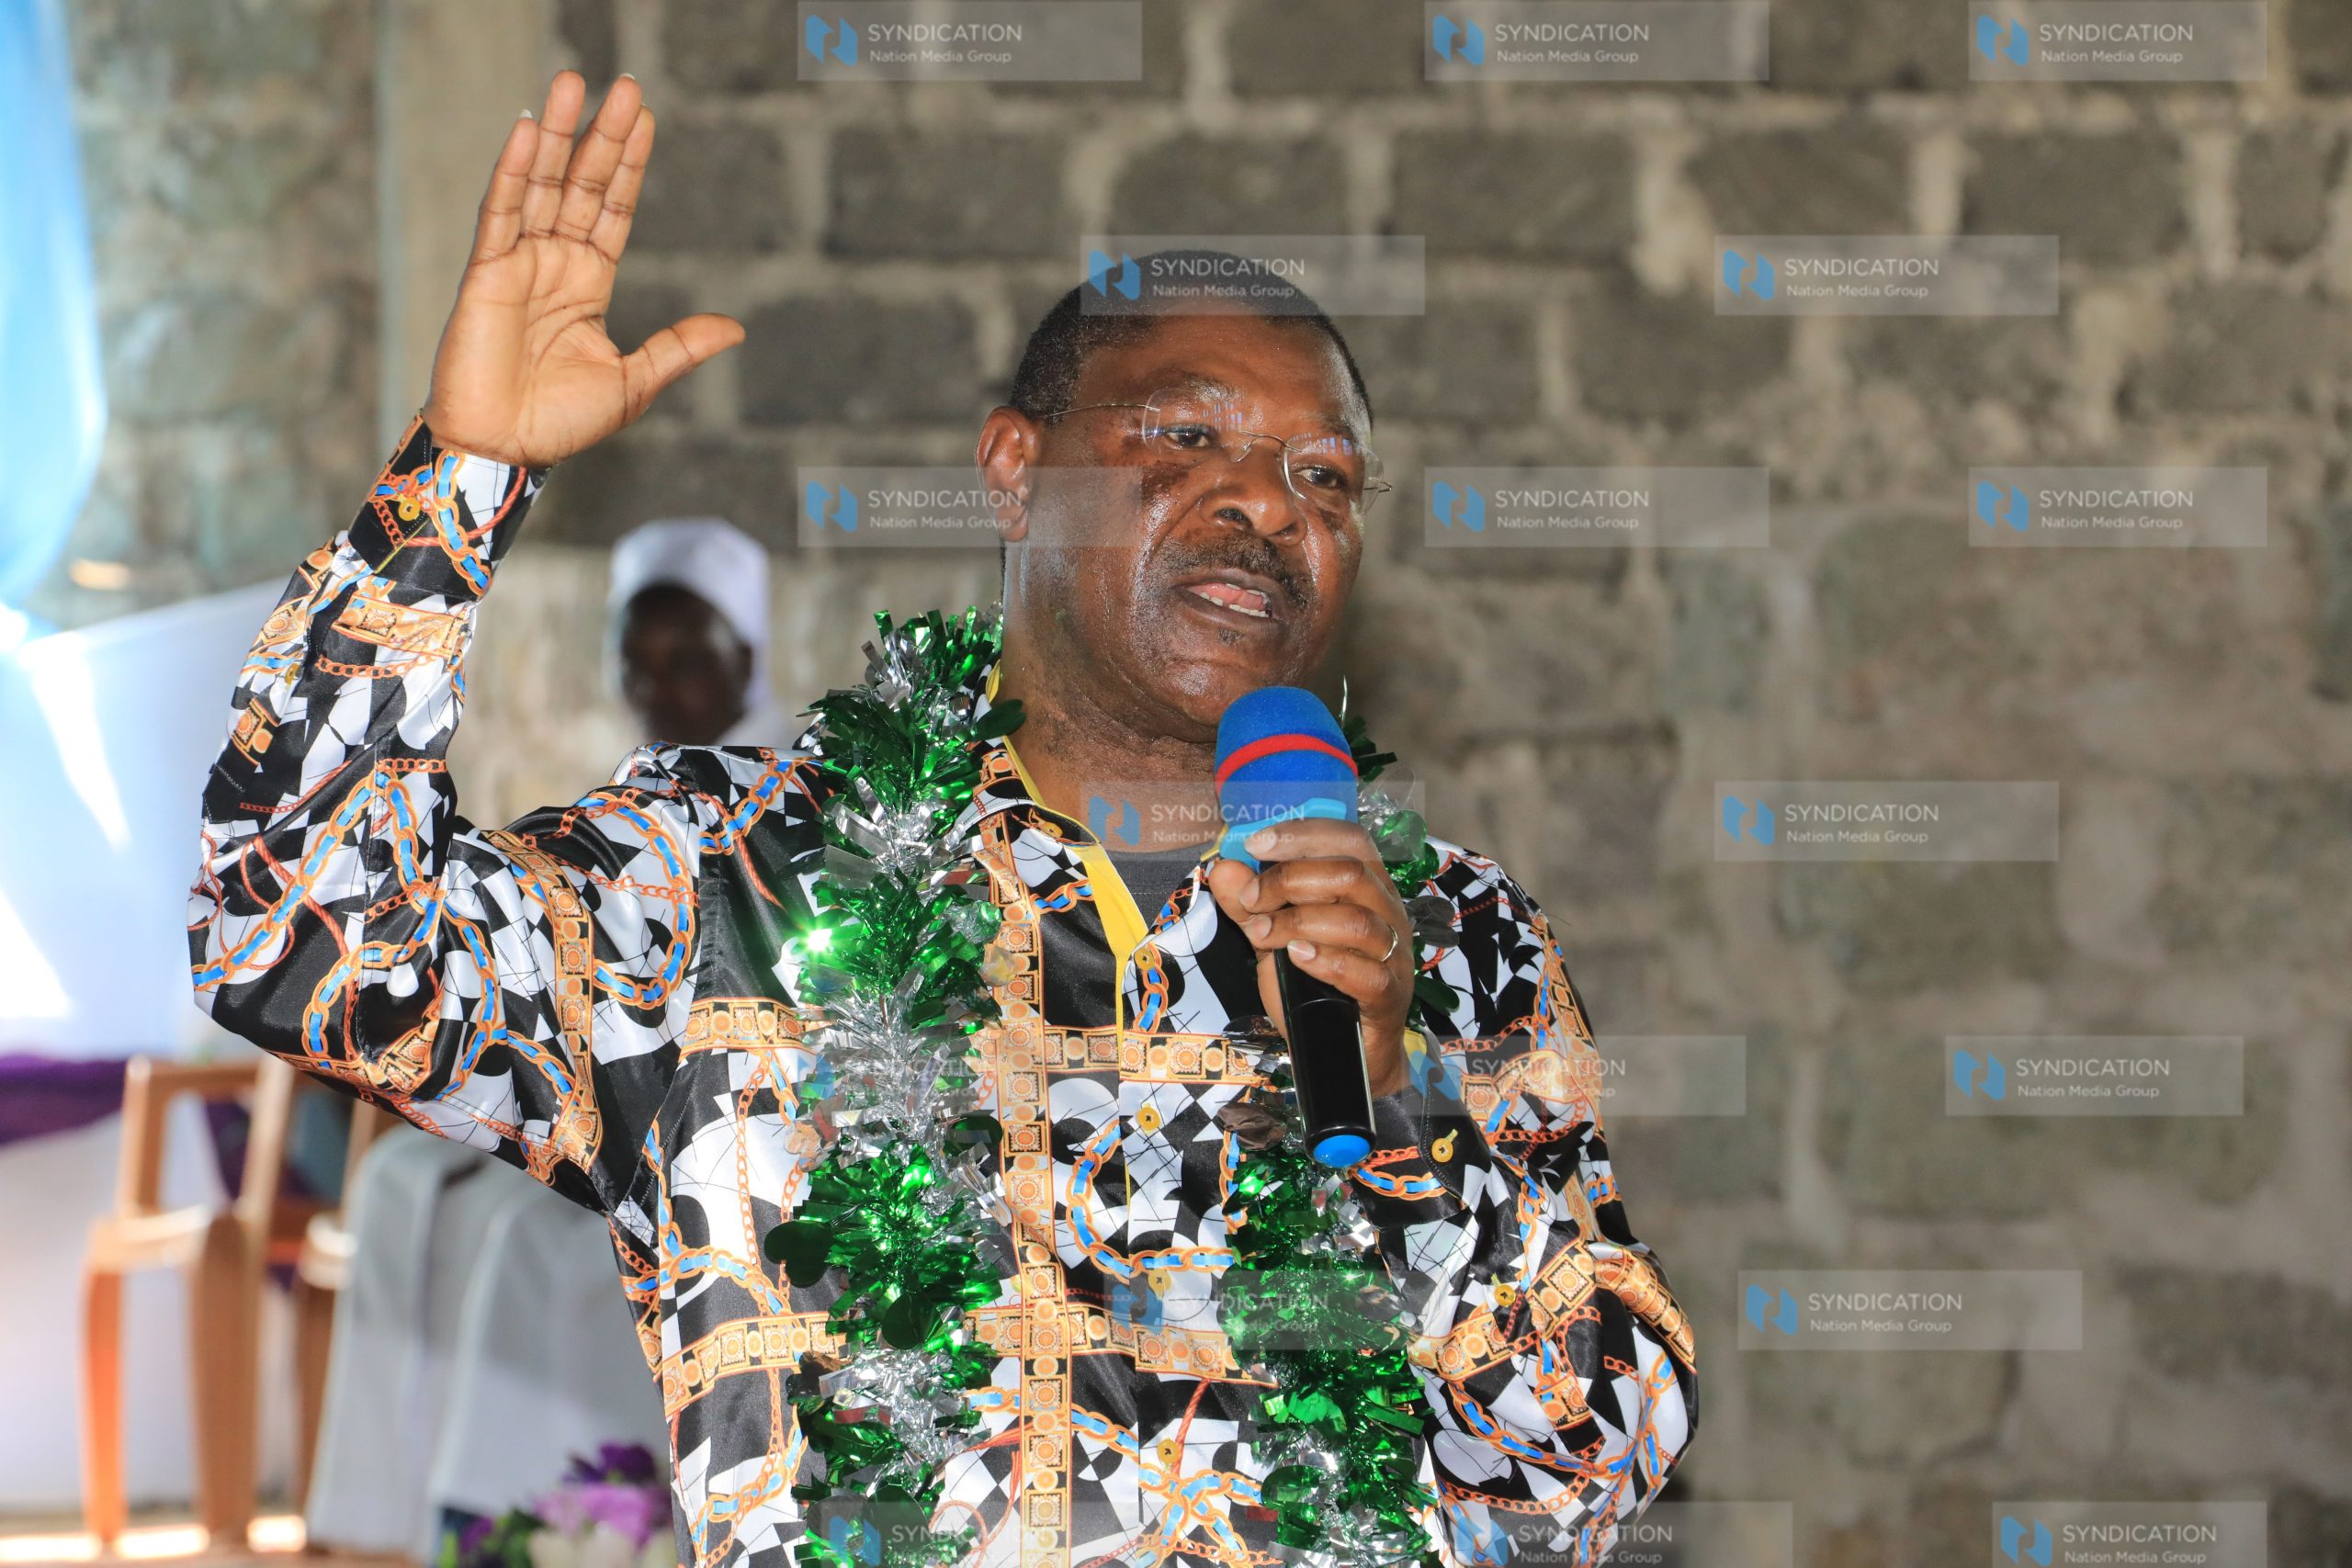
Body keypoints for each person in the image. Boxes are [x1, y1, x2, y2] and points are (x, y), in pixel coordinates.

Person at [190, 71, 1696, 1568]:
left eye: (1324, 474)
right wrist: (459, 484)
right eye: (1186, 438)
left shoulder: (1454, 937)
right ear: (1015, 469)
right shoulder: (726, 884)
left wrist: (1400, 1136)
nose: (1264, 502)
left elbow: (1584, 1478)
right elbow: (295, 928)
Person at [303, 520, 779, 1558]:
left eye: (690, 655)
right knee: (396, 1188)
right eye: (638, 660)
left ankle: (545, 1528)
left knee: (533, 1249)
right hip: (604, 1104)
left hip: (721, 1140)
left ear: (749, 657)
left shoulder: (795, 798)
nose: (663, 684)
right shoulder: (633, 787)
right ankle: (377, 1519)